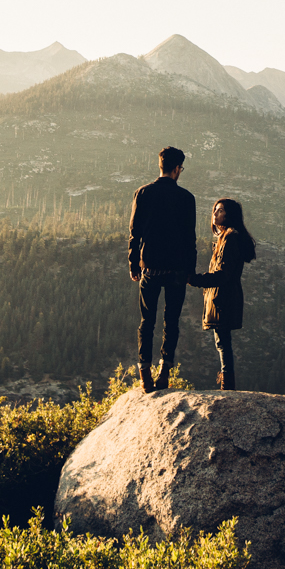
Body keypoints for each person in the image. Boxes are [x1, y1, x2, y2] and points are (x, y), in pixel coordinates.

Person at [128, 146, 196, 392]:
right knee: (172, 321)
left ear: (161, 165)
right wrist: (190, 269)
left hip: (151, 268)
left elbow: (135, 233)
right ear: (177, 169)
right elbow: (190, 238)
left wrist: (133, 263)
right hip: (177, 269)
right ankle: (165, 371)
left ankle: (144, 374)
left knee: (147, 321)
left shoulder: (143, 193)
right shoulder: (187, 198)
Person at [190, 197, 257, 391]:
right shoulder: (226, 238)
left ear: (229, 215)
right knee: (222, 341)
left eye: (219, 210)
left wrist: (195, 280)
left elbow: (223, 274)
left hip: (223, 297)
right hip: (224, 296)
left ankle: (227, 385)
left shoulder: (229, 238)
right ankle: (227, 383)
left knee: (222, 343)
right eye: (215, 210)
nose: (215, 213)